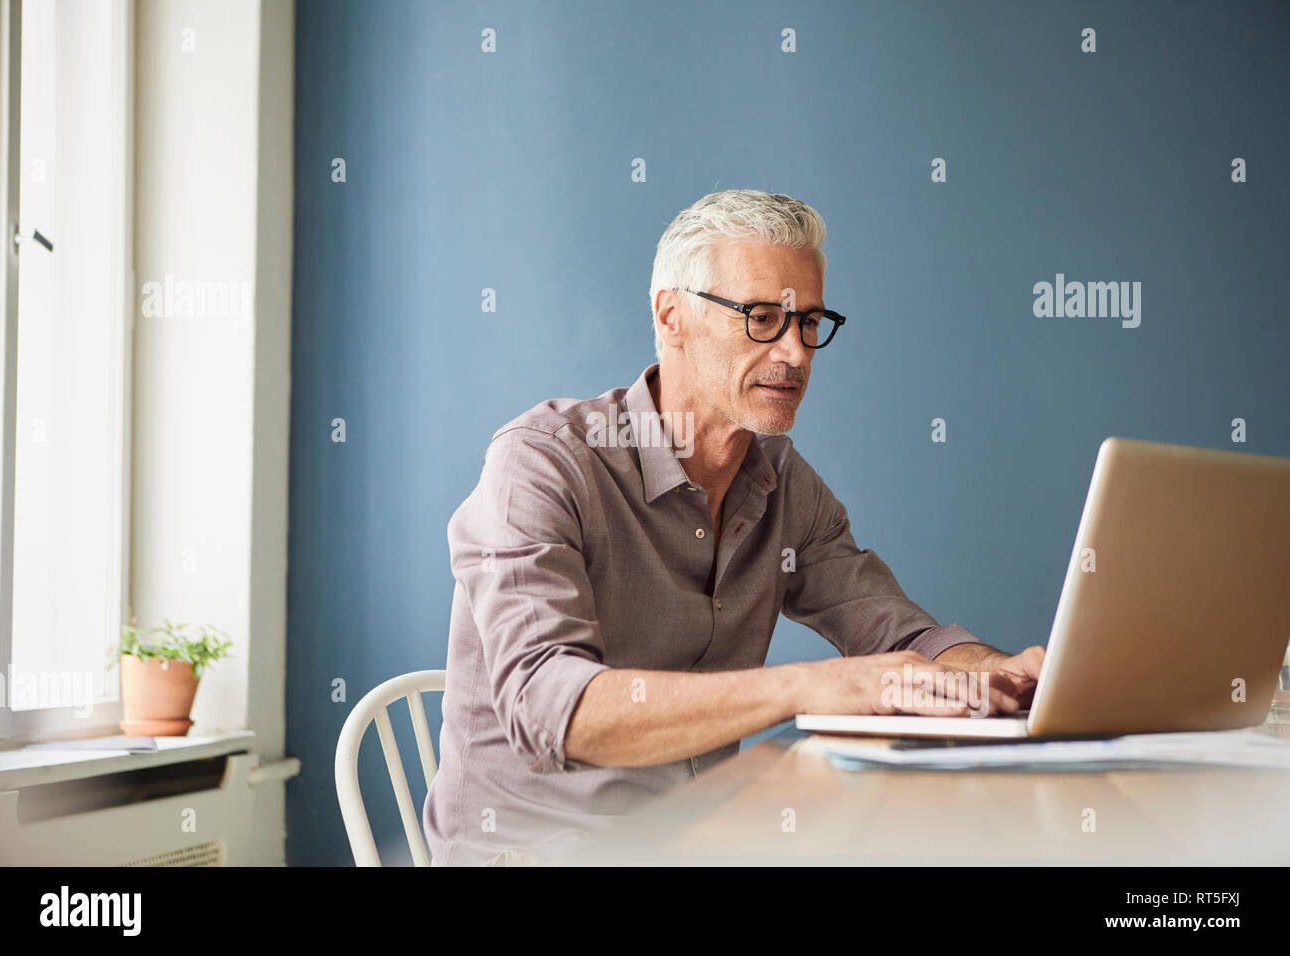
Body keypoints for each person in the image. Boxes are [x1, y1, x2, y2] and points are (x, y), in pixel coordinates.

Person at [421, 189, 1044, 866]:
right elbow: (551, 707)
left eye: (809, 322)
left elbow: (900, 633)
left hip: (701, 840)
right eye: (762, 317)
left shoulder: (780, 481)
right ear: (672, 316)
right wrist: (810, 686)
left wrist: (995, 674)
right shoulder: (544, 462)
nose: (797, 353)